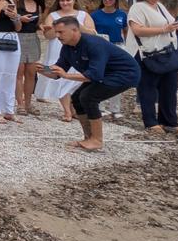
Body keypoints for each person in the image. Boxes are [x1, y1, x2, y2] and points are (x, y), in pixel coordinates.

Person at [37, 17, 141, 152]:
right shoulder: (67, 47)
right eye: (56, 32)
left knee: (89, 96)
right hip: (105, 73)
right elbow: (57, 72)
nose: (57, 36)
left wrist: (66, 75)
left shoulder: (93, 44)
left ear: (74, 30)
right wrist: (42, 69)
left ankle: (97, 140)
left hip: (125, 73)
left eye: (61, 32)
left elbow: (94, 75)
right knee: (77, 98)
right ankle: (88, 137)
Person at [126, 0, 178, 135]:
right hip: (146, 53)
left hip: (166, 51)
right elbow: (137, 30)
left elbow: (169, 24)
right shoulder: (137, 8)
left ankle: (169, 121)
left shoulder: (159, 6)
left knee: (169, 88)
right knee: (147, 88)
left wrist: (177, 27)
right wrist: (164, 29)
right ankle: (150, 122)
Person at [35, 0, 97, 122]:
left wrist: (77, 25)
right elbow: (48, 36)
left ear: (74, 0)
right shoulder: (53, 15)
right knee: (60, 77)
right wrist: (55, 28)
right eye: (62, 0)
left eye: (68, 0)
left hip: (79, 49)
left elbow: (92, 33)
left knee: (75, 80)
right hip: (57, 49)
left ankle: (73, 108)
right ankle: (67, 111)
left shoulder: (83, 15)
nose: (65, 3)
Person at [90, 0, 129, 119]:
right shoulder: (95, 15)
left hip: (118, 46)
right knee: (100, 76)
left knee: (117, 77)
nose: (107, 0)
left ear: (115, 0)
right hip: (101, 47)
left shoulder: (122, 15)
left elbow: (125, 31)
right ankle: (99, 107)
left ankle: (115, 108)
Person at [12, 0, 46, 117]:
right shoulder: (15, 3)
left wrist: (42, 27)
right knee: (19, 74)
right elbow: (12, 19)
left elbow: (38, 23)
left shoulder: (38, 6)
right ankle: (20, 104)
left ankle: (28, 103)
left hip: (33, 39)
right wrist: (20, 18)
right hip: (19, 38)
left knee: (31, 74)